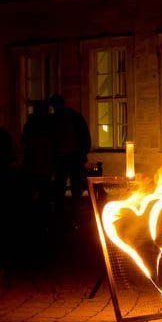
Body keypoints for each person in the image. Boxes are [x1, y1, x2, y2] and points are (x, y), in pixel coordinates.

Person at [48, 94, 91, 228]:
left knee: (62, 190)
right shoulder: (74, 116)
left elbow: (51, 141)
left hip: (65, 158)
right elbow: (85, 136)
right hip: (73, 157)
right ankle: (73, 218)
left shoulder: (54, 120)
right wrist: (83, 153)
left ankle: (64, 218)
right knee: (74, 190)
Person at [21, 100, 53, 224]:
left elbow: (23, 140)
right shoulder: (49, 125)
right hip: (44, 163)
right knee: (44, 192)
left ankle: (35, 218)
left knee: (33, 191)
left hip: (33, 163)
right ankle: (44, 218)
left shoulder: (30, 124)